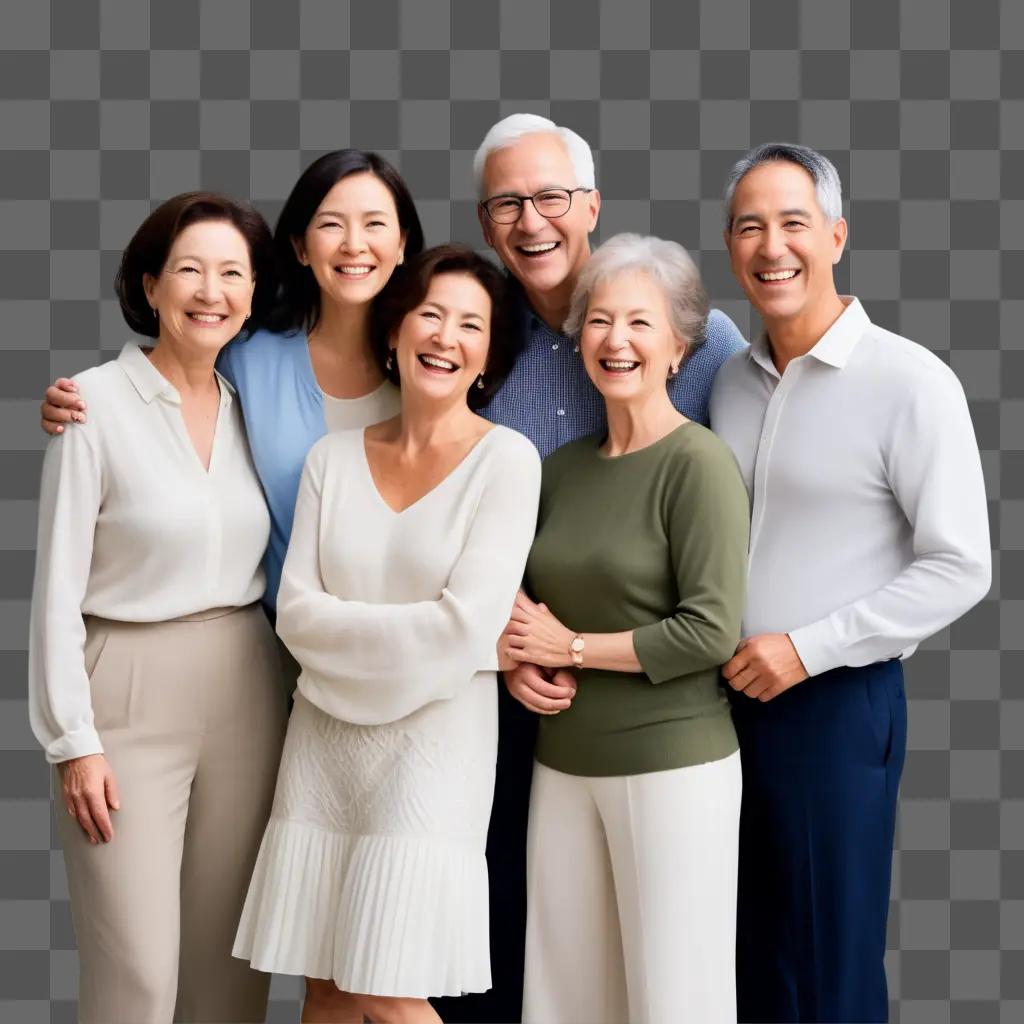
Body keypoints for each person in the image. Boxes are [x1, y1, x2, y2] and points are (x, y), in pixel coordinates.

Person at [438, 113, 749, 1024]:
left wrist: (566, 644)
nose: (531, 219)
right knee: (560, 983)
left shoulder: (705, 384)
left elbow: (713, 604)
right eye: (507, 202)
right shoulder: (490, 351)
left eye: (551, 197)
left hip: (673, 735)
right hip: (537, 739)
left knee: (674, 983)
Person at [710, 143, 992, 1024]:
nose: (772, 246)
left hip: (837, 704)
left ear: (835, 235)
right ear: (730, 247)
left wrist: (806, 649)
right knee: (747, 955)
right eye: (749, 226)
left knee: (829, 961)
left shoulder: (910, 384)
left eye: (793, 223)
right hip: (720, 706)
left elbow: (961, 566)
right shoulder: (729, 381)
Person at [232, 245, 541, 1024]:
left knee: (384, 980)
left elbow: (470, 622)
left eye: (470, 324)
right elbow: (296, 610)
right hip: (324, 747)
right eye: (430, 314)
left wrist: (351, 648)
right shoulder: (330, 459)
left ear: (487, 357)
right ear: (397, 334)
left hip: (433, 748)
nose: (445, 335)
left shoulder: (507, 461)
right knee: (327, 983)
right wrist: (414, 640)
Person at [28, 192, 287, 1022]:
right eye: (189, 271)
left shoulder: (257, 408)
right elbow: (57, 589)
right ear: (150, 285)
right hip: (125, 689)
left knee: (230, 969)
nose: (211, 292)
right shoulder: (92, 405)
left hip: (249, 685)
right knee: (136, 974)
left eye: (232, 273)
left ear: (253, 295)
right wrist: (73, 742)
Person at [502, 233, 749, 1024]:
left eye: (641, 323)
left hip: (672, 767)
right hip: (562, 766)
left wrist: (568, 649)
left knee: (674, 999)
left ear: (681, 346)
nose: (617, 340)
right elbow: (522, 600)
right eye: (600, 321)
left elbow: (709, 632)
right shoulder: (560, 470)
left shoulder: (699, 463)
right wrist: (517, 653)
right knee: (566, 999)